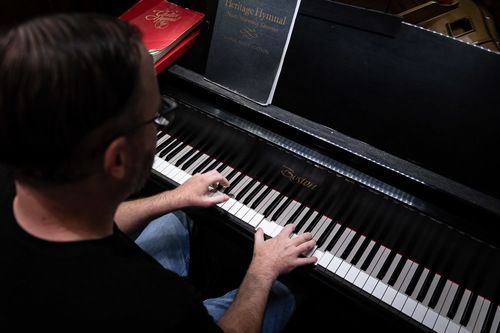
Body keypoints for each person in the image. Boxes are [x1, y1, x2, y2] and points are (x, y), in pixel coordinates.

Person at [0, 13, 317, 330]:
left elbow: (82, 219)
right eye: (155, 116)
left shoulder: (24, 184)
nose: (157, 125)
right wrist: (262, 270)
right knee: (291, 289)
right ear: (118, 159)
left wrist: (174, 197)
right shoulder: (153, 303)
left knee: (174, 217)